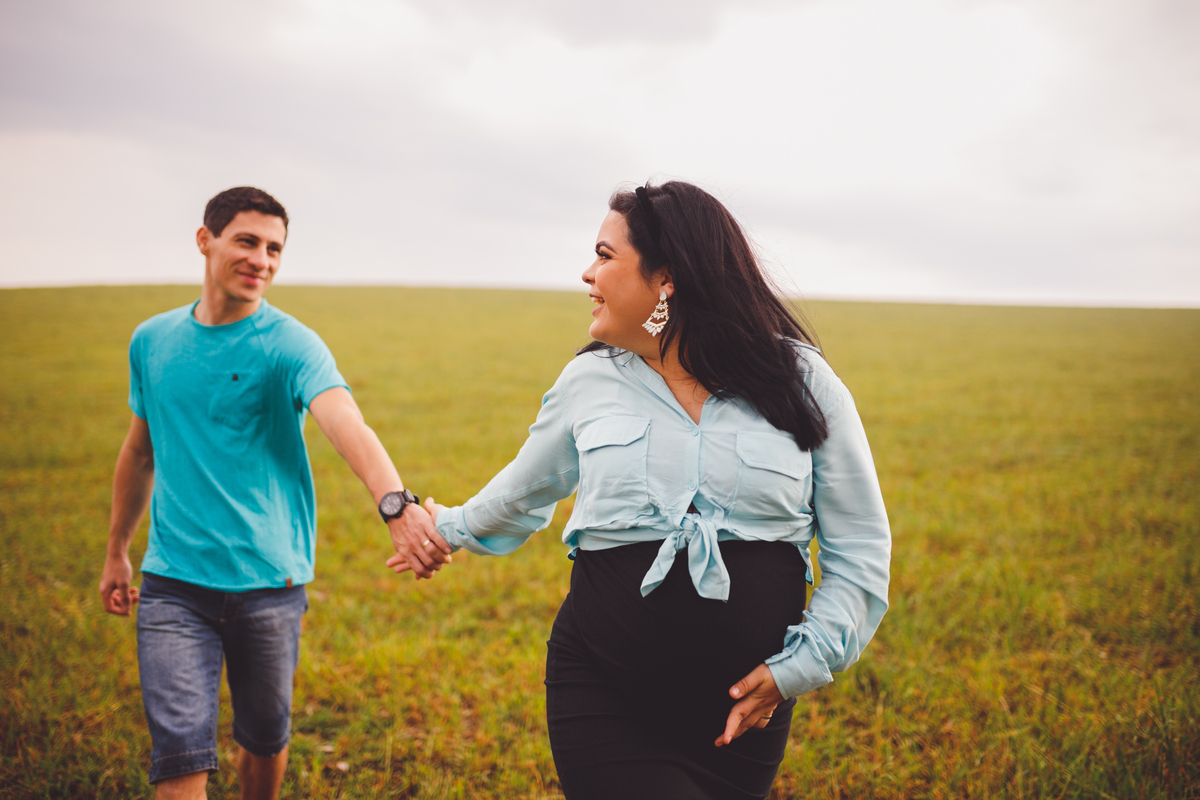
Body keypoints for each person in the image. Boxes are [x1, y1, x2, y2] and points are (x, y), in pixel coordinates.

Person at [394, 181, 892, 799]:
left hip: (746, 712)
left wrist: (797, 668)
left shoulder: (802, 380)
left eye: (605, 256)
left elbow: (861, 548)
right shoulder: (587, 382)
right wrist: (439, 528)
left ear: (667, 277)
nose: (587, 273)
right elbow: (524, 491)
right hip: (604, 688)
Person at [98, 187, 452, 800]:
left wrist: (395, 505)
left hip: (269, 585)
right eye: (247, 241)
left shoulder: (291, 344)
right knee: (179, 754)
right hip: (173, 585)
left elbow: (347, 425)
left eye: (274, 248)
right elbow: (139, 449)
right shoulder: (151, 341)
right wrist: (116, 551)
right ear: (205, 240)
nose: (261, 258)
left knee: (264, 738)